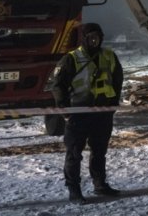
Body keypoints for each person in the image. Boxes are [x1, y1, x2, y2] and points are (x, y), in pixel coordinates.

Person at [50, 22, 123, 204]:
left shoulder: (109, 56)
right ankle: (74, 190)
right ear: (83, 39)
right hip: (78, 113)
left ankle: (100, 184)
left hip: (102, 114)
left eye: (97, 37)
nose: (94, 40)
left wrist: (112, 105)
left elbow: (117, 80)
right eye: (90, 37)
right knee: (74, 153)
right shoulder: (71, 59)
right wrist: (65, 111)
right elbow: (58, 86)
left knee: (99, 151)